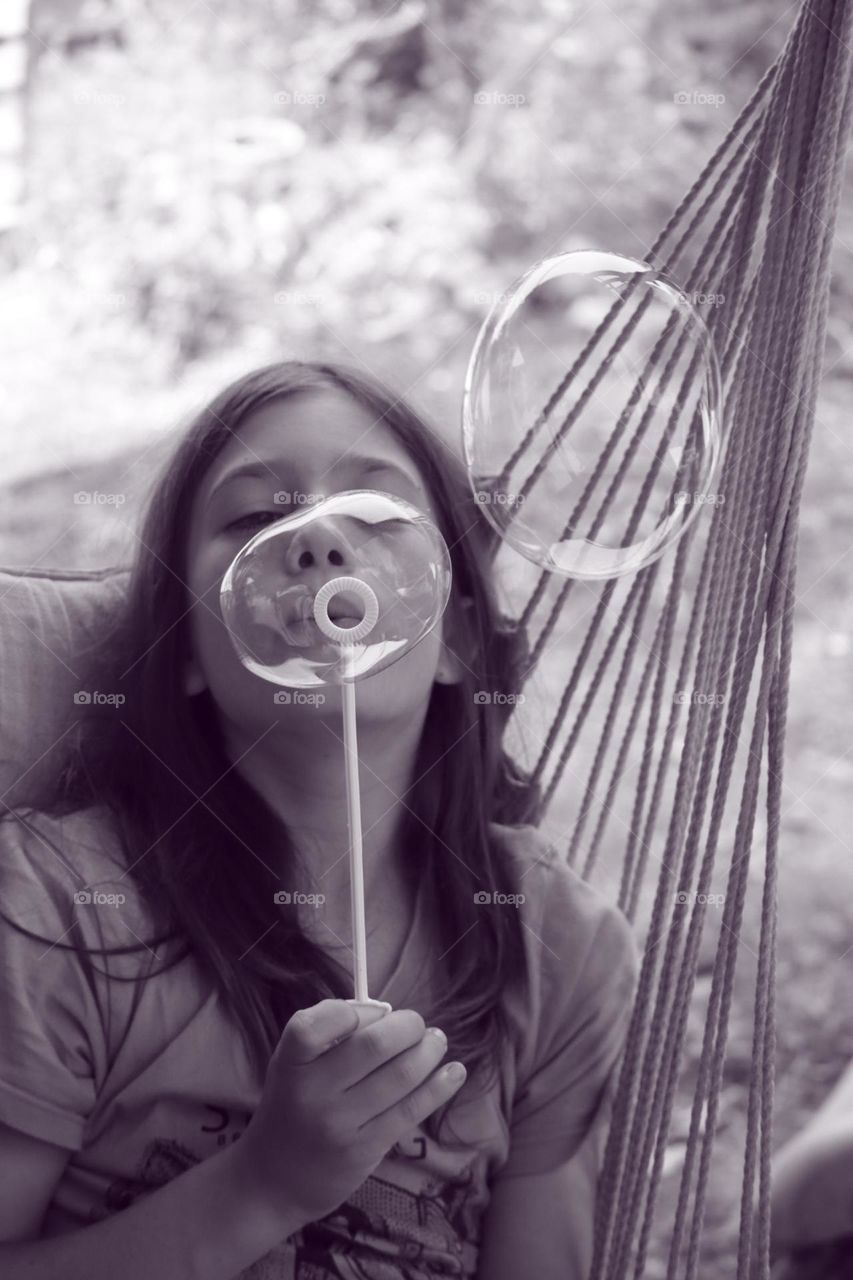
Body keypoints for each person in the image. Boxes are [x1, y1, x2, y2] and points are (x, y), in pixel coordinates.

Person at [0, 359, 639, 1279]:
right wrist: (262, 1187)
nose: (317, 542)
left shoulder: (558, 951)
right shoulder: (58, 910)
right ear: (186, 648)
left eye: (375, 513)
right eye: (258, 517)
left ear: (456, 638)